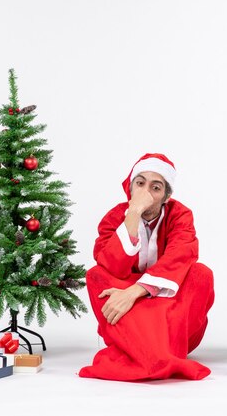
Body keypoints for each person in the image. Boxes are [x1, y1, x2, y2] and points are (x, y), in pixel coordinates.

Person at [78, 153, 214, 381]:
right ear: (130, 189)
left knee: (201, 274)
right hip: (129, 306)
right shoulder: (114, 218)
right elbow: (112, 266)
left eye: (155, 187)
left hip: (166, 304)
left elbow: (181, 255)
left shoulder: (180, 215)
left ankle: (157, 351)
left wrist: (133, 293)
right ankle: (156, 355)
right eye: (140, 184)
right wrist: (133, 213)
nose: (145, 193)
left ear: (165, 196)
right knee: (96, 275)